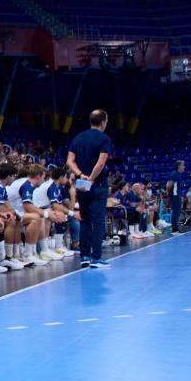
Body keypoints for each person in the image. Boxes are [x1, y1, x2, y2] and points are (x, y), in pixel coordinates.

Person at [66, 109, 113, 268]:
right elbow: (100, 163)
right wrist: (91, 178)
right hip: (97, 184)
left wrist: (81, 175)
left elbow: (70, 161)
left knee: (85, 219)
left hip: (81, 184)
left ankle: (84, 256)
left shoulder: (78, 138)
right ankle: (96, 257)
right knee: (98, 220)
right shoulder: (104, 139)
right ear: (103, 122)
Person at [166, 160, 186, 234]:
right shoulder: (175, 174)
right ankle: (174, 230)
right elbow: (168, 184)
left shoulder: (177, 174)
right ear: (179, 166)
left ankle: (176, 228)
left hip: (177, 196)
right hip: (175, 196)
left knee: (177, 212)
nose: (184, 167)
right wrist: (169, 194)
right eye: (183, 165)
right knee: (175, 212)